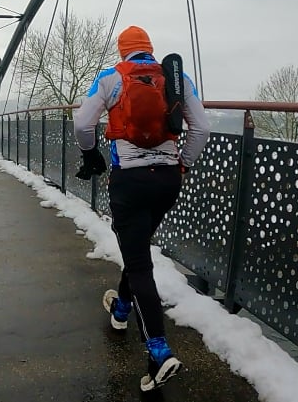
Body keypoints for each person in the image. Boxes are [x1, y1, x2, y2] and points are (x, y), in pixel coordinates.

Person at [73, 25, 210, 391]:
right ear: (150, 49)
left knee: (138, 264)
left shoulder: (111, 77)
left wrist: (90, 152)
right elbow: (201, 129)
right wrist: (184, 164)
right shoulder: (176, 79)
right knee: (136, 253)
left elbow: (83, 123)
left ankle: (159, 351)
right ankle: (121, 310)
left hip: (130, 182)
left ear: (122, 52)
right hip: (167, 181)